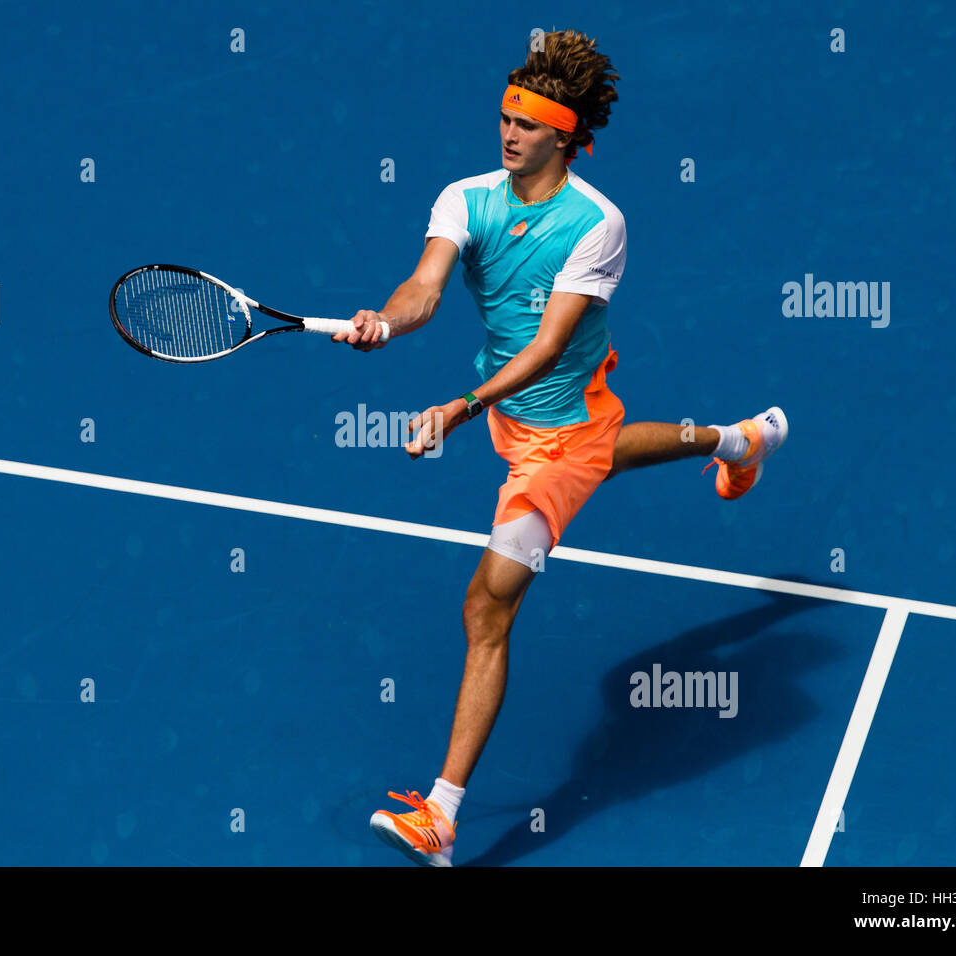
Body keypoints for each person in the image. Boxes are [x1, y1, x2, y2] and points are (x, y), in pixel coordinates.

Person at [333, 29, 788, 866]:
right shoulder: (465, 198)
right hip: (528, 417)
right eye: (505, 117)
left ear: (568, 136)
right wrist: (385, 322)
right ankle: (737, 440)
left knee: (488, 603)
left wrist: (459, 408)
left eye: (529, 124)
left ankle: (440, 814)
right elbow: (426, 285)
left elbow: (544, 350)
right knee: (620, 444)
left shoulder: (597, 224)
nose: (509, 134)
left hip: (558, 433)